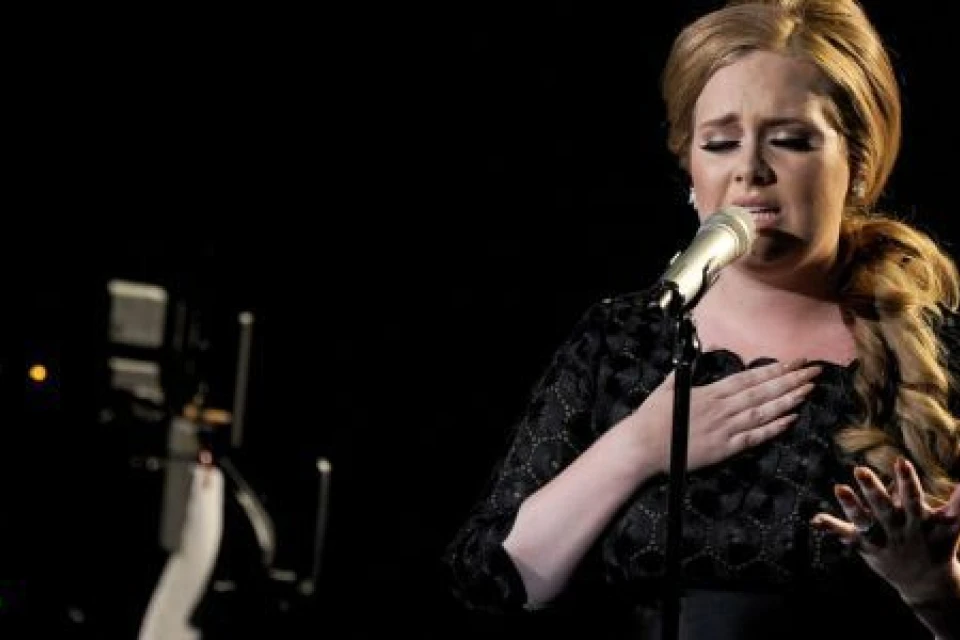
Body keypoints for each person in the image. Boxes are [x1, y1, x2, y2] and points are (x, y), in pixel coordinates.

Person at [442, 0, 960, 638]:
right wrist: (638, 447)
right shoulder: (623, 341)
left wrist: (935, 594)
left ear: (856, 164)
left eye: (790, 140)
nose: (750, 170)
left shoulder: (940, 356)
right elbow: (492, 579)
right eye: (719, 143)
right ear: (690, 167)